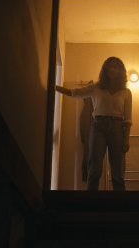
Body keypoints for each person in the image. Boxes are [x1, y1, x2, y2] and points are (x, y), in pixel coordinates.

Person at [55, 57, 132, 191]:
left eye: (115, 67)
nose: (112, 69)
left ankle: (120, 207)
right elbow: (74, 93)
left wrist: (126, 138)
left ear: (120, 71)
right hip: (98, 127)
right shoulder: (96, 87)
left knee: (118, 172)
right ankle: (90, 205)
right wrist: (53, 86)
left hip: (118, 129)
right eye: (109, 66)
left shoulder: (126, 92)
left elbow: (128, 119)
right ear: (105, 68)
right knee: (94, 169)